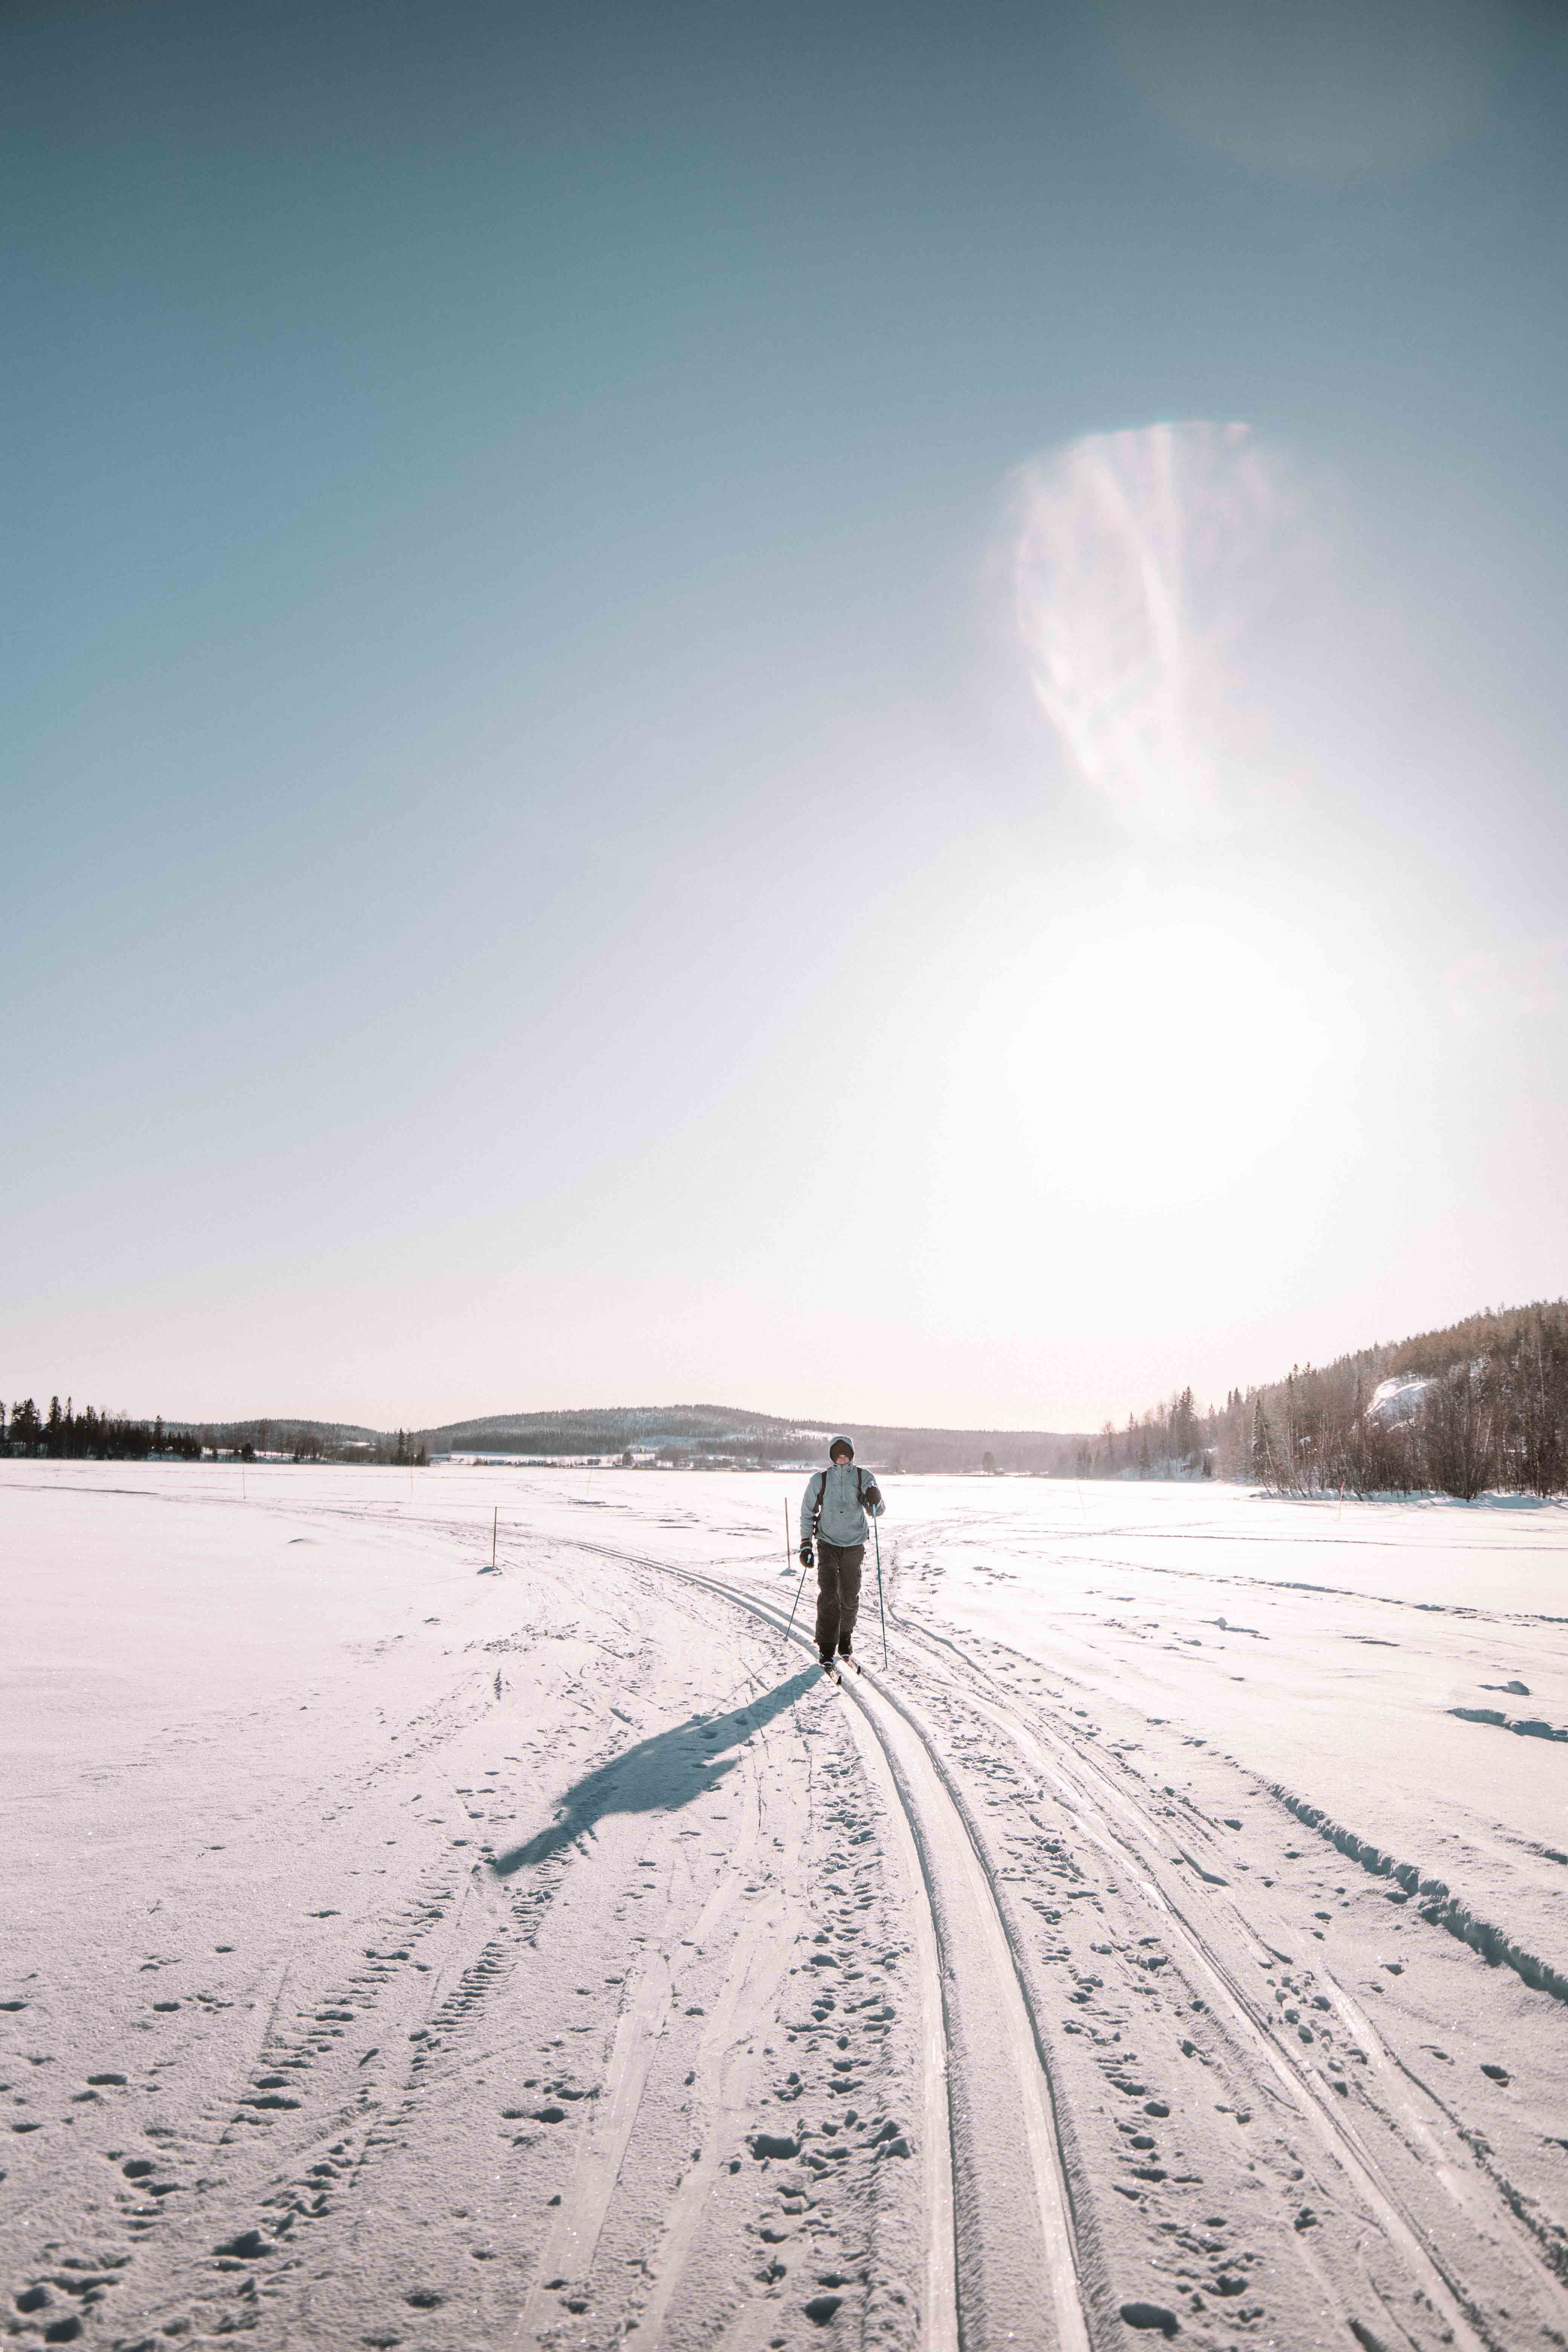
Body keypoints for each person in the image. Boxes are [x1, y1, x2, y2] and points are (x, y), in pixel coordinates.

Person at [799, 1437, 885, 1668]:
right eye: (838, 1453)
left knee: (849, 1595)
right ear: (832, 1455)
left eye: (846, 1453)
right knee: (829, 1595)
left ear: (852, 1455)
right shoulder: (820, 1480)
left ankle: (845, 1638)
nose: (842, 1457)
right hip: (827, 1542)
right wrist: (806, 1543)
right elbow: (807, 1512)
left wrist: (875, 1499)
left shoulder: (863, 1477)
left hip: (854, 1544)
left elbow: (877, 1511)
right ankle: (827, 1647)